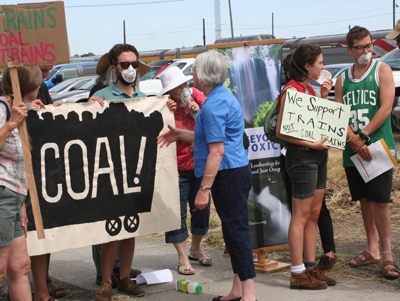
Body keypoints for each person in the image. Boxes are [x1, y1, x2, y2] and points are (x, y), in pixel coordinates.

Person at [158, 51, 257, 301]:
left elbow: (216, 151)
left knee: (237, 233)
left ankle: (249, 295)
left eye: (194, 70)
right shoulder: (221, 97)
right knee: (233, 232)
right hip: (232, 171)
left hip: (228, 174)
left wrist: (204, 189)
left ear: (204, 75)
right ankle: (238, 289)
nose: (191, 75)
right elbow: (209, 138)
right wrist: (180, 134)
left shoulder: (213, 105)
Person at [335, 26, 400, 279]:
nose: (367, 50)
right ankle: (371, 248)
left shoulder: (381, 70)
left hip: (378, 148)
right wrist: (353, 140)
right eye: (361, 47)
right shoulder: (343, 78)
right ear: (350, 49)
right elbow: (339, 113)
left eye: (369, 45)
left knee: (381, 202)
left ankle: (387, 255)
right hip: (353, 149)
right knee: (363, 200)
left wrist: (363, 137)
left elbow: (385, 108)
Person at [92, 43, 151, 301]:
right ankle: (106, 281)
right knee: (111, 229)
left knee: (131, 228)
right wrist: (89, 106)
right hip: (111, 172)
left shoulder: (146, 99)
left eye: (134, 65)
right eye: (125, 64)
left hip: (136, 172)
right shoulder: (102, 95)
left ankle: (124, 278)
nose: (130, 69)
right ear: (115, 67)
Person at [276, 45, 335, 290]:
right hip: (302, 158)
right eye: (319, 63)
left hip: (317, 156)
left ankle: (310, 267)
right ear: (308, 66)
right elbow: (282, 131)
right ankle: (297, 272)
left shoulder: (307, 89)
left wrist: (322, 98)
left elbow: (312, 123)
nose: (322, 67)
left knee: (313, 213)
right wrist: (311, 143)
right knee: (300, 216)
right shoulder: (291, 91)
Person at [159, 66, 212, 276]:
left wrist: (197, 108)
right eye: (177, 87)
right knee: (176, 213)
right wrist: (166, 109)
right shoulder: (164, 104)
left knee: (202, 208)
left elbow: (212, 117)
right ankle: (181, 256)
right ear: (168, 91)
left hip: (199, 162)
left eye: (184, 84)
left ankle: (196, 248)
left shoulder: (196, 95)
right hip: (175, 166)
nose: (183, 89)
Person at [0, 65, 45, 301]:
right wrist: (10, 123)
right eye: (38, 83)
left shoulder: (18, 108)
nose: (41, 87)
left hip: (14, 196)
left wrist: (22, 203)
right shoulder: (2, 109)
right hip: (2, 194)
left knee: (20, 266)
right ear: (29, 85)